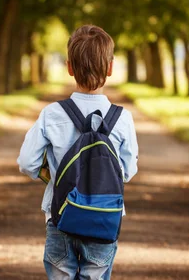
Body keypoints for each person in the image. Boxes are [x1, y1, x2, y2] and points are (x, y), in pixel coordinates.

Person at [17, 24, 139, 280]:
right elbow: (126, 172)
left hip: (61, 215)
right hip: (104, 219)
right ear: (110, 67)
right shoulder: (122, 119)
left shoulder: (52, 115)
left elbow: (27, 163)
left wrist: (55, 176)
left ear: (69, 67)